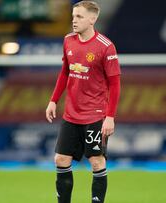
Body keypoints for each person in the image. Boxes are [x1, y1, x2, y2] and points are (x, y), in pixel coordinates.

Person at [45, 1, 121, 203]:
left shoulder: (106, 47)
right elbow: (65, 72)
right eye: (73, 16)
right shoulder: (68, 40)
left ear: (92, 19)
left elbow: (115, 85)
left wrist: (110, 117)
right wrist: (53, 100)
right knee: (60, 160)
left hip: (95, 115)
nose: (74, 20)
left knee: (97, 162)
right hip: (71, 114)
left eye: (79, 16)